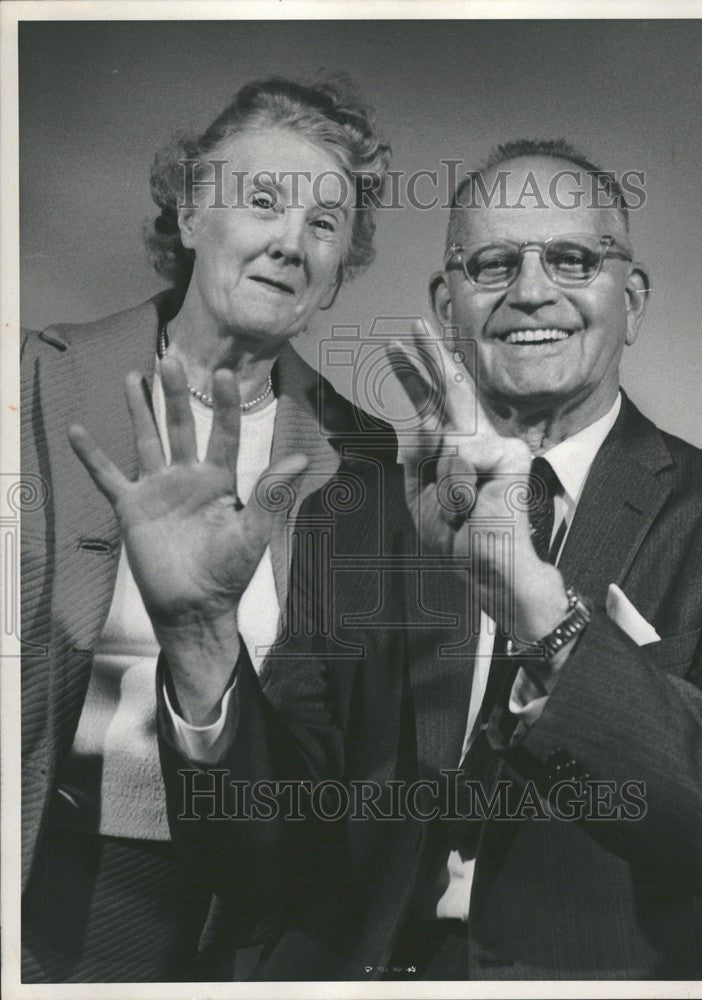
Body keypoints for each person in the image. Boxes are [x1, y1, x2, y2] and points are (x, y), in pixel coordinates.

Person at [74, 139, 702, 980]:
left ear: (629, 299)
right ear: (446, 304)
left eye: (569, 258)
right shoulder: (360, 507)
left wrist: (538, 610)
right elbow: (261, 863)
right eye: (492, 264)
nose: (529, 290)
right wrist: (197, 637)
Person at [20, 75, 392, 983]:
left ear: (342, 266)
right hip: (37, 878)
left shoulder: (361, 458)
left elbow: (346, 752)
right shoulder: (26, 379)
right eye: (260, 202)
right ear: (188, 216)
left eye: (323, 225)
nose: (288, 244)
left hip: (235, 919)